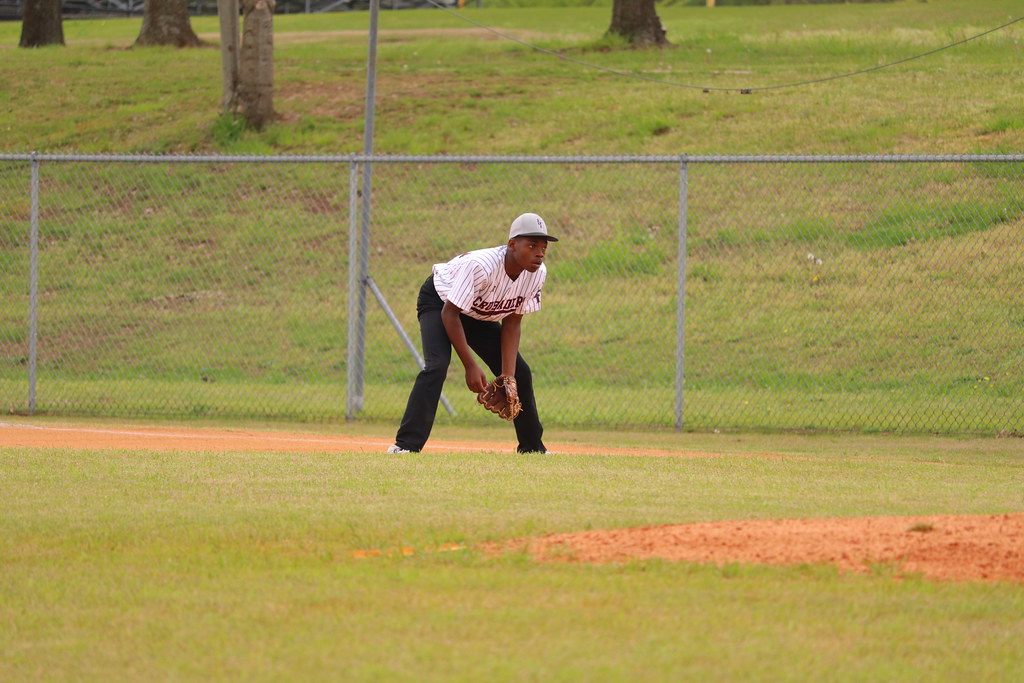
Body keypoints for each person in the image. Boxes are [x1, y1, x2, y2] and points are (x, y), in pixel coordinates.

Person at [387, 212, 557, 454]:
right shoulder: (481, 266)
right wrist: (470, 365)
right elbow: (450, 314)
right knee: (437, 366)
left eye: (543, 247)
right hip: (441, 302)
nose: (539, 253)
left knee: (520, 373)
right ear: (512, 244)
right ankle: (405, 446)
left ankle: (532, 447)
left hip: (478, 313)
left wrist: (507, 376)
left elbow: (512, 323)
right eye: (532, 245)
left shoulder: (537, 274)